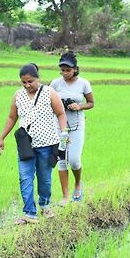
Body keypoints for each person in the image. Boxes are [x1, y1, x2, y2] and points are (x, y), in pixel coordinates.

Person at [0, 63, 68, 224]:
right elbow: (11, 118)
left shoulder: (50, 93)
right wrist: (1, 137)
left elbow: (61, 114)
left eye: (31, 81)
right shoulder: (18, 96)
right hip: (26, 145)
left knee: (44, 179)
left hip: (47, 144)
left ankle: (44, 204)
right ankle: (29, 212)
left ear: (38, 78)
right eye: (24, 82)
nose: (28, 85)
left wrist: (64, 133)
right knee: (25, 177)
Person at [50, 51, 94, 205]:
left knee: (74, 160)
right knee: (61, 161)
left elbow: (91, 103)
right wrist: (59, 105)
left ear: (75, 69)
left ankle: (77, 183)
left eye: (67, 70)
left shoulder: (84, 83)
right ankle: (64, 196)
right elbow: (48, 101)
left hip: (77, 125)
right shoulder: (55, 84)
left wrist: (78, 105)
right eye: (62, 70)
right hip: (59, 126)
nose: (64, 73)